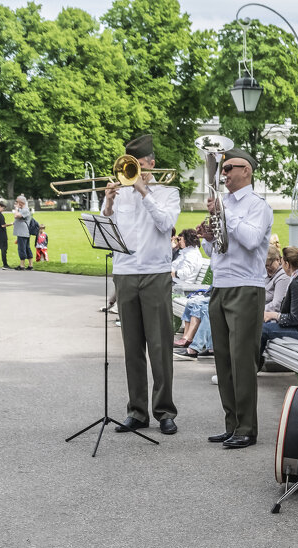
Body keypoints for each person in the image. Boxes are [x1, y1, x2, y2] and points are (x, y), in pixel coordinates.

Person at [102, 133, 182, 436]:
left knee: (160, 345)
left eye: (140, 164)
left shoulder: (168, 192)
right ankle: (136, 411)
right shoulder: (118, 193)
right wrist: (108, 203)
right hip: (124, 272)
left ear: (151, 163)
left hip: (155, 272)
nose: (135, 169)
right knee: (131, 346)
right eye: (130, 165)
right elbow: (105, 230)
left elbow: (165, 224)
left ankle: (164, 411)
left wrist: (143, 190)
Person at [200, 147, 272, 450]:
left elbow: (253, 239)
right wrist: (207, 236)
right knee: (224, 361)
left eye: (230, 168)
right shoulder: (224, 203)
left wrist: (223, 214)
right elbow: (216, 249)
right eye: (223, 169)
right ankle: (231, 424)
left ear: (247, 170)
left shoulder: (258, 205)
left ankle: (247, 427)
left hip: (246, 286)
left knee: (242, 361)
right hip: (221, 283)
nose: (224, 174)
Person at [259, 246, 298, 365]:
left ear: (287, 264)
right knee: (262, 326)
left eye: (282, 262)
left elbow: (295, 319)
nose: (282, 265)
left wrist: (273, 315)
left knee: (261, 329)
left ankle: (252, 369)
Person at [263, 244, 292, 313]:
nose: (267, 268)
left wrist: (256, 311)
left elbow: (277, 305)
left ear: (278, 260)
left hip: (274, 318)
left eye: (268, 265)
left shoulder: (283, 277)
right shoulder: (268, 274)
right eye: (264, 266)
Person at [13, 195, 33, 269]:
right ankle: (30, 265)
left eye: (17, 201)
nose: (16, 203)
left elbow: (16, 216)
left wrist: (16, 208)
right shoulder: (23, 210)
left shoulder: (25, 210)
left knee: (22, 248)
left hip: (23, 232)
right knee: (27, 248)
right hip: (23, 232)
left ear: (21, 202)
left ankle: (22, 265)